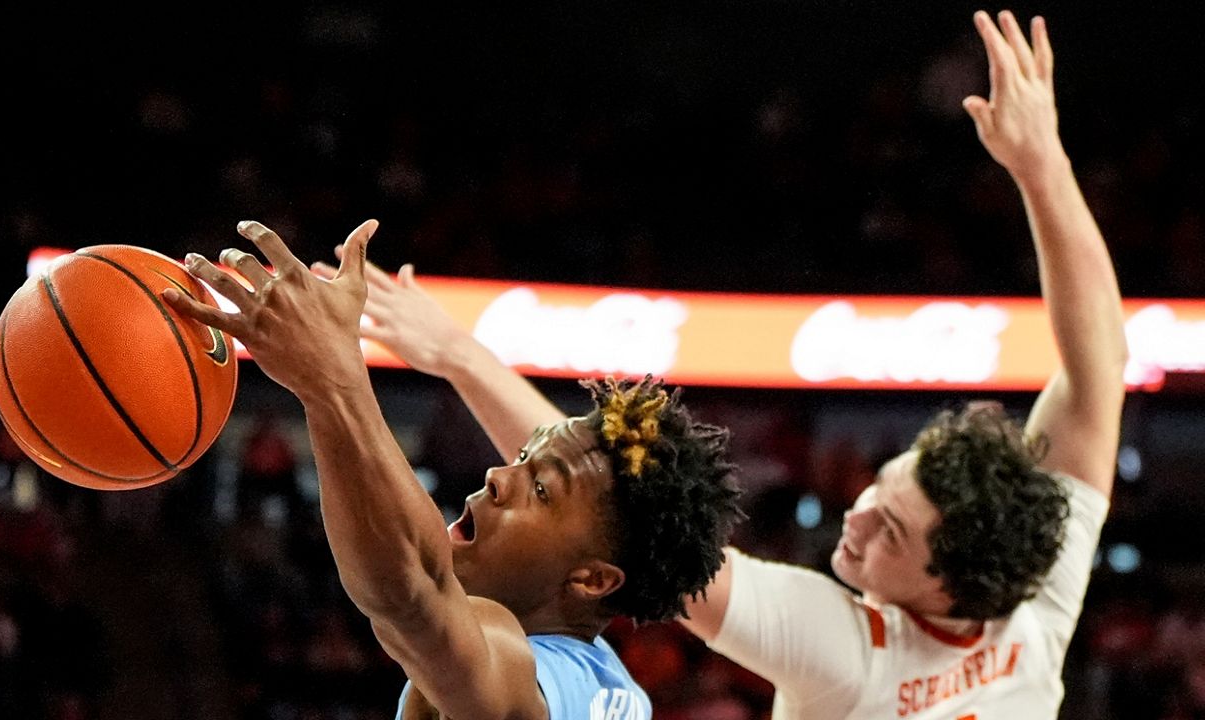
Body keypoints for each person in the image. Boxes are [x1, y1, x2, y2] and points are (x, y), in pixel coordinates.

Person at [330, 9, 1126, 718]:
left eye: (890, 532)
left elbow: (627, 505)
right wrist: (1042, 164)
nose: (857, 516)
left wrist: (460, 358)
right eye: (882, 485)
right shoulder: (1042, 585)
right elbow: (1100, 363)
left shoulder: (848, 649)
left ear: (951, 590)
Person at [162, 221, 745, 718]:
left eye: (540, 489)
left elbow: (411, 592)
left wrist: (331, 381)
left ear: (592, 580)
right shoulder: (620, 692)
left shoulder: (527, 677)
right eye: (522, 457)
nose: (499, 475)